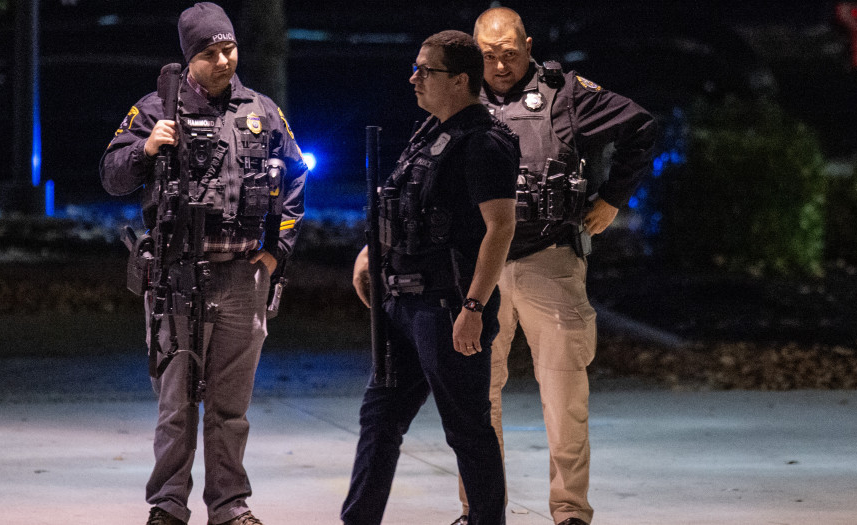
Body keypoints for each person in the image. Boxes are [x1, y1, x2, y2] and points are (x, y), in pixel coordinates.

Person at [99, 3, 306, 525]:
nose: (223, 60)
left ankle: (230, 507)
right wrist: (146, 148)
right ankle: (168, 506)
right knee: (176, 405)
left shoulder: (261, 110)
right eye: (209, 53)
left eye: (229, 49)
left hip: (242, 275)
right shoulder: (155, 109)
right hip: (176, 275)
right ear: (189, 58)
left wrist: (276, 252)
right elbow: (112, 174)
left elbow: (297, 178)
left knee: (230, 408)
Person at [452, 8, 658, 525]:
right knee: (476, 400)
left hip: (550, 258)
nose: (498, 66)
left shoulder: (566, 94)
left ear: (528, 45)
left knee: (565, 399)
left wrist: (612, 198)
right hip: (479, 270)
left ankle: (570, 513)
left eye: (509, 54)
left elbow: (640, 127)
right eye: (487, 56)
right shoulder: (458, 96)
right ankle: (481, 512)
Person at [340, 30, 519, 525]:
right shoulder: (431, 131)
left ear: (461, 80)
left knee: (467, 430)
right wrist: (369, 254)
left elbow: (501, 228)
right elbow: (406, 205)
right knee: (379, 421)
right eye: (416, 67)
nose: (414, 77)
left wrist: (475, 309)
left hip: (447, 309)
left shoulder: (484, 142)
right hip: (402, 306)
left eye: (427, 70)